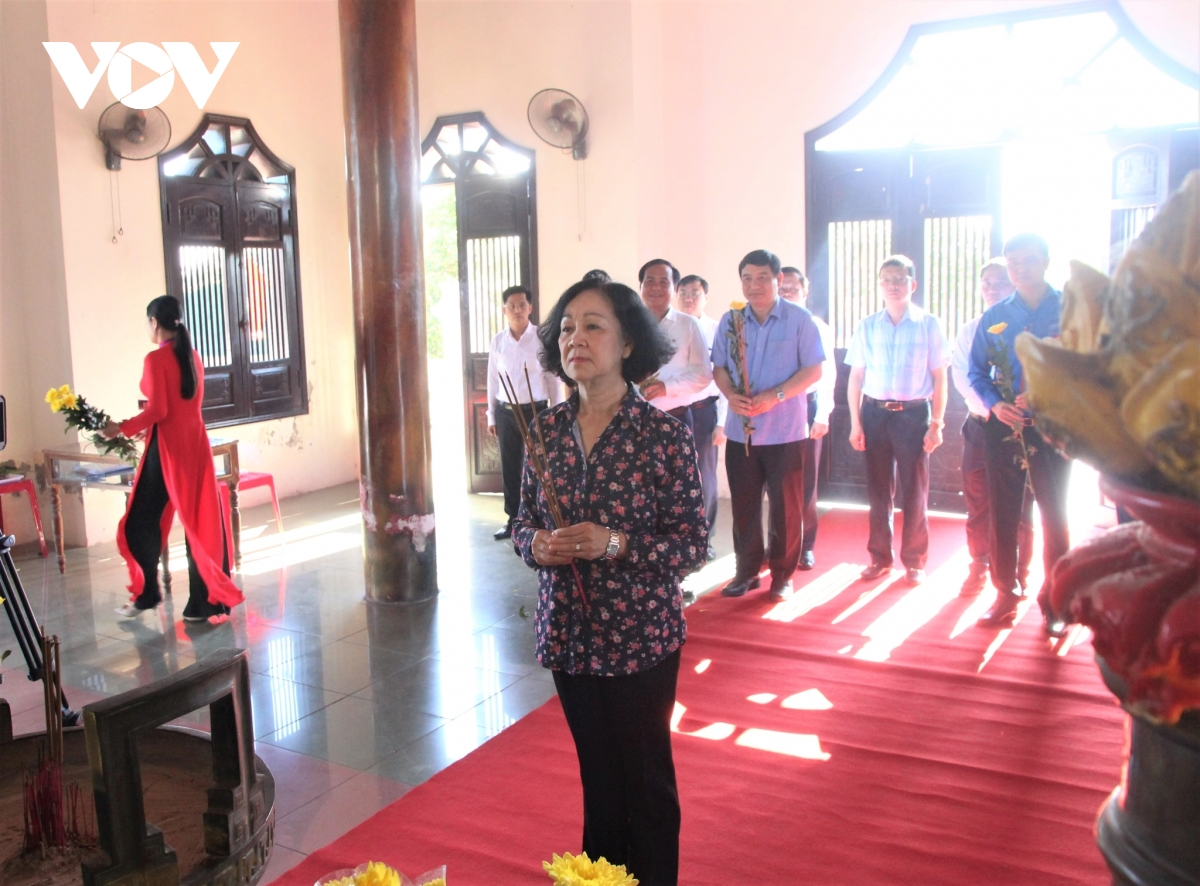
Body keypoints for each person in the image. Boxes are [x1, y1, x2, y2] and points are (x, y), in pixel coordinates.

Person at [512, 276, 707, 886]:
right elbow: (521, 522)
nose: (576, 338)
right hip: (569, 635)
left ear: (627, 344)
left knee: (646, 784)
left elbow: (692, 545)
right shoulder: (544, 431)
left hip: (640, 638)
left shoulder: (663, 434)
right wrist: (536, 545)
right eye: (567, 328)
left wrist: (614, 542)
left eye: (593, 326)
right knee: (598, 783)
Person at [102, 295, 243, 623]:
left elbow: (159, 410)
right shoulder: (193, 356)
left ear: (154, 322)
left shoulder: (155, 359)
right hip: (193, 445)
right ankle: (204, 605)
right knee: (199, 523)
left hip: (167, 449)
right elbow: (178, 408)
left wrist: (120, 428)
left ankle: (148, 592)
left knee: (139, 520)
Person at [969, 233, 1072, 631]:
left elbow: (1089, 367)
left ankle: (1057, 602)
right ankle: (1005, 594)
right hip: (1004, 427)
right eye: (1012, 262)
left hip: (1052, 428)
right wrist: (996, 404)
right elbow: (977, 371)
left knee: (1054, 514)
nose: (1019, 269)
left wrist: (1049, 393)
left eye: (1027, 260)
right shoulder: (996, 315)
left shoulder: (1070, 310)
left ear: (1046, 261)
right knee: (1004, 512)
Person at [711, 249, 825, 602]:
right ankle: (746, 572)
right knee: (744, 507)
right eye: (747, 278)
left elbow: (814, 370)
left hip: (785, 433)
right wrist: (731, 395)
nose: (754, 285)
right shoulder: (730, 321)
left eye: (762, 278)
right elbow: (719, 368)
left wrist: (776, 396)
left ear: (778, 279)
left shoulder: (799, 319)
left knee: (785, 509)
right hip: (741, 433)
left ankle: (782, 575)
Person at [846, 255, 949, 586]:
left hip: (913, 415)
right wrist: (855, 423)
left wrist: (937, 424)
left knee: (915, 490)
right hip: (874, 414)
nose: (893, 285)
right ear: (880, 285)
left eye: (900, 279)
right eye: (887, 279)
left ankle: (915, 561)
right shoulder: (866, 325)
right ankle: (879, 557)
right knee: (878, 490)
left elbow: (940, 378)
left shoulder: (929, 324)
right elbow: (856, 377)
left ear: (912, 284)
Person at [950, 258, 1034, 597]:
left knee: (1020, 505)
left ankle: (1019, 571)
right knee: (978, 501)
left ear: (1013, 284)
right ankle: (979, 565)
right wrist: (995, 407)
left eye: (1000, 282)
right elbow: (962, 376)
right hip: (981, 425)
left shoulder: (1028, 328)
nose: (992, 288)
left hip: (1018, 429)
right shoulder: (971, 329)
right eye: (986, 282)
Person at [487, 284, 562, 541]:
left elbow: (554, 379)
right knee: (510, 467)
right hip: (506, 413)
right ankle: (512, 519)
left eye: (522, 305)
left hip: (536, 412)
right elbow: (493, 380)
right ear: (504, 310)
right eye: (512, 306)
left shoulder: (543, 338)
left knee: (540, 466)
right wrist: (491, 415)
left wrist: (557, 414)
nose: (517, 310)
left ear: (530, 307)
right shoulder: (498, 341)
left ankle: (540, 518)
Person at [779, 267, 835, 570]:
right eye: (783, 288)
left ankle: (805, 545)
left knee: (806, 482)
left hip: (806, 406)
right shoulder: (770, 324)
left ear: (805, 291)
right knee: (777, 482)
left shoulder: (817, 326)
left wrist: (822, 415)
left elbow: (828, 375)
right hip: (774, 410)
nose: (788, 293)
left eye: (793, 288)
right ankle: (779, 543)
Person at [676, 273, 725, 558]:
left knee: (705, 476)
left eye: (695, 293)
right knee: (675, 476)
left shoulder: (716, 330)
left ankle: (705, 539)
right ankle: (680, 536)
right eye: (684, 292)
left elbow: (725, 378)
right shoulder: (671, 328)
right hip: (674, 412)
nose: (689, 298)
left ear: (705, 298)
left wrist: (722, 422)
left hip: (704, 412)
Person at [636, 259, 713, 436]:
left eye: (664, 282)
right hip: (634, 418)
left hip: (675, 418)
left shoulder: (689, 325)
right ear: (641, 286)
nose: (656, 287)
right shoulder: (628, 325)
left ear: (674, 288)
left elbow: (703, 374)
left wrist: (667, 387)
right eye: (650, 281)